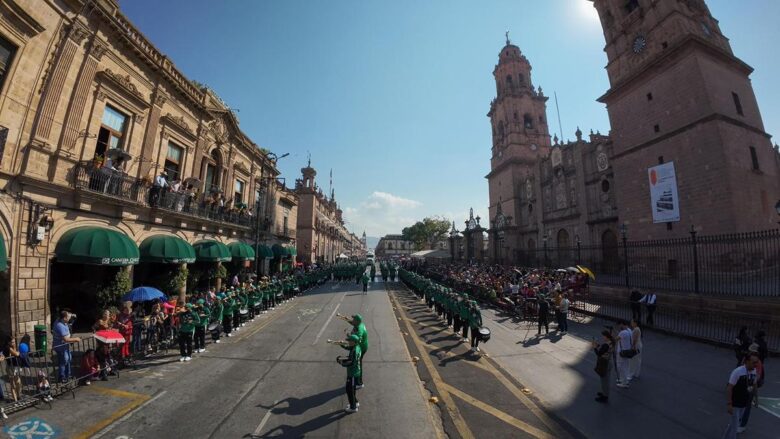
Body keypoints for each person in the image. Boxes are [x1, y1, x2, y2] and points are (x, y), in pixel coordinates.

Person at [723, 353, 759, 439]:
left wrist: (756, 398)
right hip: (735, 403)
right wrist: (729, 404)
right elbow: (729, 388)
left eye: (756, 362)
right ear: (747, 361)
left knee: (733, 424)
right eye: (754, 362)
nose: (756, 364)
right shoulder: (738, 372)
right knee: (735, 426)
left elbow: (754, 385)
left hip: (744, 403)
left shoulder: (753, 371)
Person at [739, 344, 764, 433]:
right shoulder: (746, 359)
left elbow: (755, 380)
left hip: (749, 387)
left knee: (747, 407)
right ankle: (739, 422)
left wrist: (756, 398)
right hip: (743, 385)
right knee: (740, 405)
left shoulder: (757, 363)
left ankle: (742, 425)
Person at [53, 310, 81, 383]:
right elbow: (66, 339)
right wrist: (76, 339)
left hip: (65, 346)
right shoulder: (60, 325)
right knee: (64, 360)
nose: (69, 318)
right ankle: (61, 377)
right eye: (68, 317)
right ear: (64, 318)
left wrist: (71, 315)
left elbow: (68, 317)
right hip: (61, 346)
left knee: (68, 359)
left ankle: (68, 375)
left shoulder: (62, 320)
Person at [340, 334, 362, 413]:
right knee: (352, 389)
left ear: (354, 342)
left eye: (350, 341)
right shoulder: (357, 347)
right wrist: (342, 345)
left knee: (349, 390)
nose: (348, 342)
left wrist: (341, 362)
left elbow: (351, 363)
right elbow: (350, 349)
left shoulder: (355, 351)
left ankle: (353, 407)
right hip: (355, 372)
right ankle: (355, 402)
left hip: (353, 374)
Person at [592, 330, 615, 403]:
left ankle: (605, 396)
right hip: (609, 362)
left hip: (605, 363)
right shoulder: (611, 341)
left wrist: (595, 347)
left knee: (604, 381)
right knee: (606, 380)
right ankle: (604, 393)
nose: (602, 337)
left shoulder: (606, 344)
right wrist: (598, 345)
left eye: (603, 336)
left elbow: (599, 353)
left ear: (606, 336)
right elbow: (604, 349)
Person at [616, 321, 633, 388]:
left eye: (619, 325)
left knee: (620, 366)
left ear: (622, 324)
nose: (619, 327)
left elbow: (615, 339)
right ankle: (623, 380)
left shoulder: (622, 332)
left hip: (621, 352)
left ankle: (624, 382)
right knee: (626, 366)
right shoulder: (629, 330)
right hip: (627, 351)